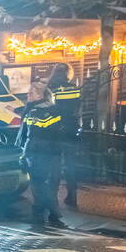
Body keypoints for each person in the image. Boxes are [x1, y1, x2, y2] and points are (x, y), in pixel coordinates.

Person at [20, 76, 67, 228]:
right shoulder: (56, 110)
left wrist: (22, 154)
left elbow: (26, 135)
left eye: (30, 94)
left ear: (39, 95)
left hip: (37, 153)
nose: (28, 96)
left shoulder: (32, 111)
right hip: (54, 154)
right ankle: (52, 216)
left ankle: (41, 215)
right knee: (51, 185)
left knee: (38, 184)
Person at [47, 62, 80, 208]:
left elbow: (49, 109)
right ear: (68, 74)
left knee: (54, 165)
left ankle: (52, 197)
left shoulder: (50, 89)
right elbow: (76, 108)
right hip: (71, 130)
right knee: (70, 165)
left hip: (55, 130)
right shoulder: (74, 88)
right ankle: (72, 196)